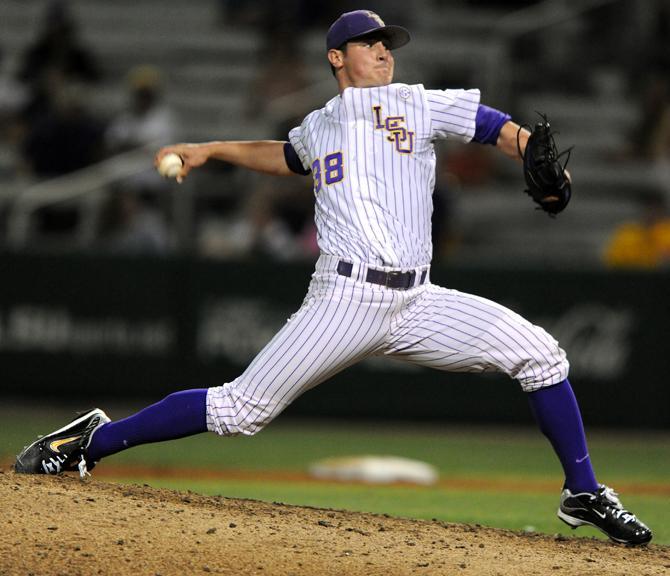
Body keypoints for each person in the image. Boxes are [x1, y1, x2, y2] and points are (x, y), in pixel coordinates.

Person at [15, 10, 652, 546]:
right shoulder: (320, 124)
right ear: (335, 58)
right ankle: (87, 445)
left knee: (542, 355)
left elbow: (496, 128)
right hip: (345, 297)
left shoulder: (414, 102)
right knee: (240, 409)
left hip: (419, 298)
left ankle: (584, 491)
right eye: (369, 44)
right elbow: (283, 156)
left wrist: (533, 161)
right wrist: (209, 150)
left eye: (388, 44)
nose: (383, 52)